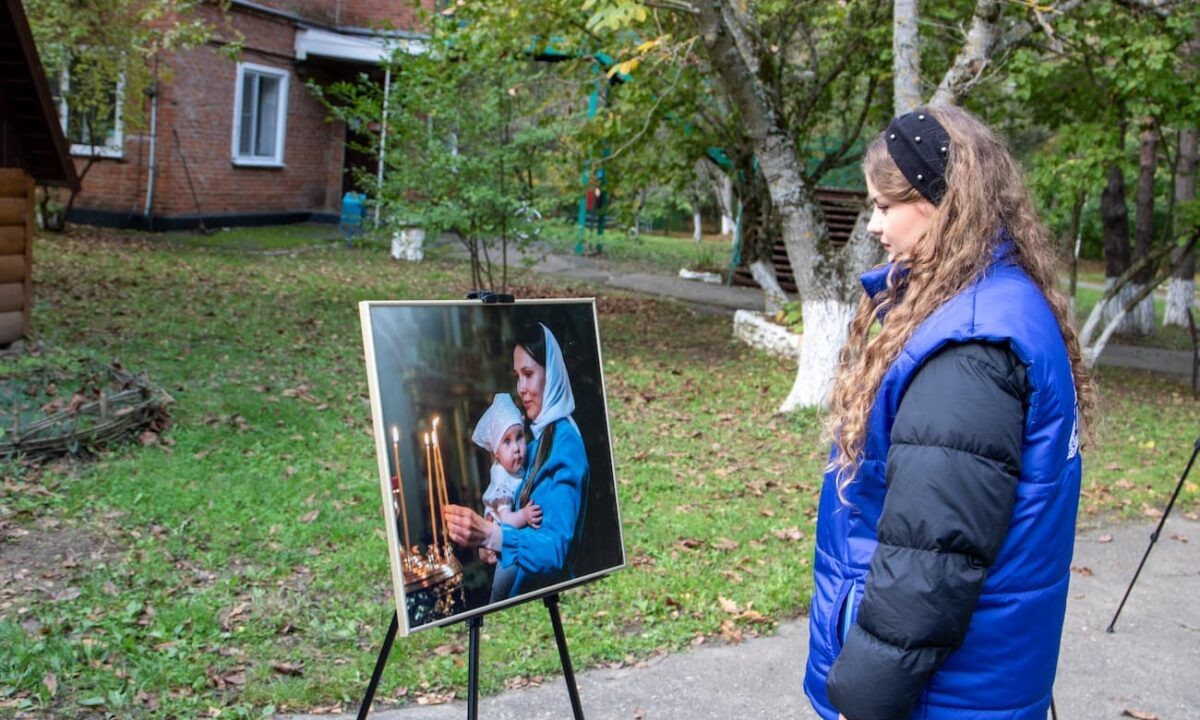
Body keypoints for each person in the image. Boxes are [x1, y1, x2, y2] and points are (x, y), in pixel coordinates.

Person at [803, 105, 1095, 720]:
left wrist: (862, 695)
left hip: (941, 697)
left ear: (942, 201)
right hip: (980, 680)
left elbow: (929, 559)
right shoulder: (1000, 299)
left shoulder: (968, 345)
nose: (875, 227)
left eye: (886, 206)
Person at [445, 322, 590, 599]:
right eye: (517, 376)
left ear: (553, 374)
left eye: (529, 374)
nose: (521, 388)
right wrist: (491, 534)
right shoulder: (534, 438)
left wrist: (493, 535)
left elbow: (556, 549)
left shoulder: (565, 443)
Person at [470, 392, 542, 601]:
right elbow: (508, 520)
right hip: (505, 551)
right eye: (507, 442)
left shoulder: (517, 468)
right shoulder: (502, 480)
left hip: (511, 545)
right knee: (501, 592)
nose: (517, 449)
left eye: (519, 437)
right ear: (497, 454)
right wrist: (525, 516)